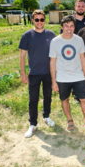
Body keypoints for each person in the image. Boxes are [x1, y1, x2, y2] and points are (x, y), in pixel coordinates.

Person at [19, 10, 56, 138]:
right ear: (33, 20)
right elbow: (22, 55)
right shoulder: (27, 35)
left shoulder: (51, 34)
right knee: (33, 99)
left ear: (45, 20)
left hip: (48, 73)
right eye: (37, 20)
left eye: (42, 19)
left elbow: (56, 54)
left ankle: (46, 116)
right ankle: (33, 124)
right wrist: (23, 73)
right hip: (34, 73)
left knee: (48, 96)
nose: (39, 22)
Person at [49, 15, 85, 131]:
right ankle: (70, 119)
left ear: (74, 27)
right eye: (66, 26)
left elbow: (83, 59)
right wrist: (53, 81)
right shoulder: (55, 42)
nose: (69, 28)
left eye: (71, 26)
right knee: (64, 99)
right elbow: (52, 62)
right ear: (62, 27)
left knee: (84, 99)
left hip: (78, 75)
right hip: (62, 77)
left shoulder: (79, 40)